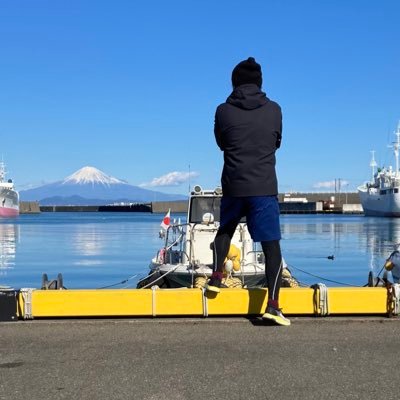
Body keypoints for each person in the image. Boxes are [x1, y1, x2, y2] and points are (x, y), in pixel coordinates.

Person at [205, 57, 290, 326]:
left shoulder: (222, 111)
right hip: (263, 186)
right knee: (271, 246)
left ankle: (217, 277)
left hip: (233, 183)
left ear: (234, 82)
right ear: (260, 82)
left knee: (225, 229)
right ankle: (273, 307)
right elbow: (277, 142)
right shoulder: (275, 109)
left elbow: (221, 142)